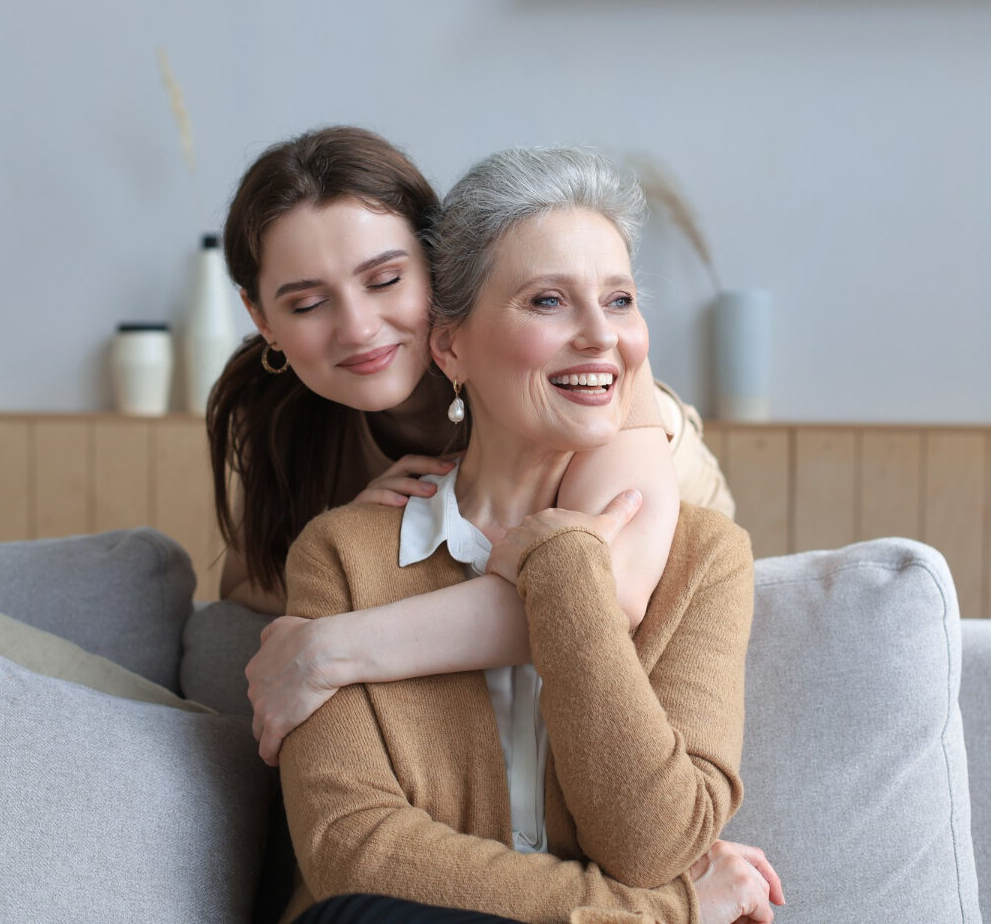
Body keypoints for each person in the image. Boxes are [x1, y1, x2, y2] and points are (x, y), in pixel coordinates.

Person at [277, 145, 779, 924]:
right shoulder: (341, 555)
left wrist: (563, 558)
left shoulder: (707, 559)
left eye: (619, 301)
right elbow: (353, 852)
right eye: (547, 301)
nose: (600, 337)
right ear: (449, 347)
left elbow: (654, 843)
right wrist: (662, 915)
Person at [207, 126, 736, 764]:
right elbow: (245, 578)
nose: (358, 327)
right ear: (261, 316)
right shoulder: (280, 408)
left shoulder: (587, 371)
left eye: (385, 280)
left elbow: (601, 597)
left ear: (439, 265)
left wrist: (331, 648)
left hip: (678, 635)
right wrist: (347, 545)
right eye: (310, 303)